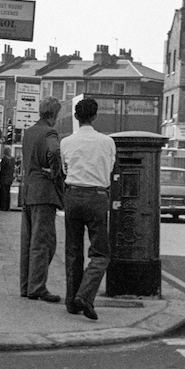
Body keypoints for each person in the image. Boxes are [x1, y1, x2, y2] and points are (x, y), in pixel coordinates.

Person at [59, 96, 117, 321]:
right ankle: (84, 295)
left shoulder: (66, 142)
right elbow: (110, 167)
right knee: (100, 253)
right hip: (97, 196)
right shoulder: (107, 142)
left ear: (76, 116)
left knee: (73, 251)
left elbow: (65, 168)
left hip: (72, 194)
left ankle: (72, 301)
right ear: (95, 116)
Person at [19, 96, 64, 303]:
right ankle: (38, 287)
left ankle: (26, 286)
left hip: (28, 191)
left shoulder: (28, 132)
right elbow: (54, 151)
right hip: (44, 193)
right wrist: (55, 171)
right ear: (54, 115)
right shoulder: (49, 132)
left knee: (28, 242)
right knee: (44, 243)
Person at [0, 146, 15, 211]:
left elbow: (2, 168)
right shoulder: (13, 159)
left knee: (3, 192)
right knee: (8, 192)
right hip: (10, 177)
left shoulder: (4, 158)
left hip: (4, 177)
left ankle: (2, 206)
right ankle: (7, 206)